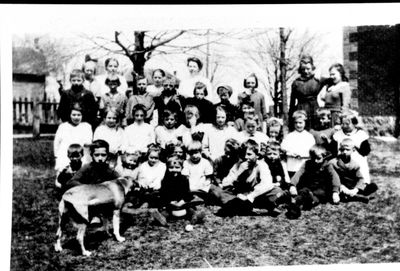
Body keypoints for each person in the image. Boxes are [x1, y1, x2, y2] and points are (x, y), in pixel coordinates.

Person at [214, 139, 291, 217]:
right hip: (240, 194)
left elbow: (267, 184)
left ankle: (244, 207)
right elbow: (225, 183)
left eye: (249, 154)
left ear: (256, 155)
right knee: (219, 191)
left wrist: (250, 196)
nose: (246, 157)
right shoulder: (238, 164)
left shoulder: (261, 164)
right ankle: (253, 208)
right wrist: (238, 172)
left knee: (277, 191)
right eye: (243, 154)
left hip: (256, 194)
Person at [286, 145, 341, 219]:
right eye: (313, 158)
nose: (315, 161)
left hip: (321, 188)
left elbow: (335, 177)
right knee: (303, 191)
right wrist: (292, 185)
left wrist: (335, 192)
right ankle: (295, 205)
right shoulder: (307, 163)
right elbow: (299, 173)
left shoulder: (327, 165)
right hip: (309, 187)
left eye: (318, 158)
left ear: (324, 157)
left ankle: (308, 200)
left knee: (317, 195)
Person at [151, 155, 206, 226]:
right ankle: (161, 218)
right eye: (171, 167)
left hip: (182, 203)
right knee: (166, 210)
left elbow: (187, 194)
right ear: (167, 168)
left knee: (189, 208)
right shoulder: (165, 180)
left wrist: (182, 202)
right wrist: (170, 202)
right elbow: (163, 194)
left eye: (177, 167)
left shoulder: (184, 180)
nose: (174, 169)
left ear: (181, 168)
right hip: (171, 204)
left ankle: (195, 216)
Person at [330, 138, 378, 203]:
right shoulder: (333, 162)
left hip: (350, 185)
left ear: (353, 150)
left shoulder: (355, 164)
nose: (344, 152)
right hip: (338, 184)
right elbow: (334, 178)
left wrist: (355, 189)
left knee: (372, 186)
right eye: (342, 149)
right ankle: (357, 197)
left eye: (347, 150)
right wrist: (342, 187)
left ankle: (351, 194)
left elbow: (360, 178)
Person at [331, 110, 372, 184]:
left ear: (354, 124)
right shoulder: (337, 135)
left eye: (347, 124)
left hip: (358, 164)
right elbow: (332, 151)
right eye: (342, 124)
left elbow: (365, 151)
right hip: (342, 166)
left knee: (360, 183)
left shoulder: (360, 135)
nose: (344, 126)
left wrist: (354, 145)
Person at [54, 103, 93, 173]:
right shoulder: (63, 126)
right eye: (74, 115)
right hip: (65, 153)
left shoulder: (86, 126)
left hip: (81, 153)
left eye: (79, 115)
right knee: (61, 180)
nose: (76, 117)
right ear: (69, 115)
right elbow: (57, 142)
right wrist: (56, 155)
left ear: (82, 115)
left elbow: (88, 142)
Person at [129, 144, 167, 209]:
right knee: (137, 193)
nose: (153, 160)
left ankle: (147, 204)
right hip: (144, 188)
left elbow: (160, 178)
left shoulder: (162, 166)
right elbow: (141, 177)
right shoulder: (143, 165)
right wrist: (142, 184)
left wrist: (152, 185)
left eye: (156, 158)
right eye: (151, 157)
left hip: (155, 189)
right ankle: (138, 205)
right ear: (148, 156)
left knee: (155, 195)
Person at [289, 55, 321, 130]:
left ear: (312, 68)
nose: (306, 71)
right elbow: (292, 102)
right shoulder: (296, 83)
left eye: (308, 69)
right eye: (303, 69)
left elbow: (331, 81)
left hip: (314, 109)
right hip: (301, 109)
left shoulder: (317, 81)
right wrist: (291, 118)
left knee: (315, 130)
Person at [281, 110, 316, 177]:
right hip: (292, 165)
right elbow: (283, 147)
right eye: (296, 123)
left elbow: (312, 149)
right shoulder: (290, 136)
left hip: (304, 163)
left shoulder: (309, 136)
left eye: (300, 123)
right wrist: (291, 153)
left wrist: (302, 155)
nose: (298, 125)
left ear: (305, 123)